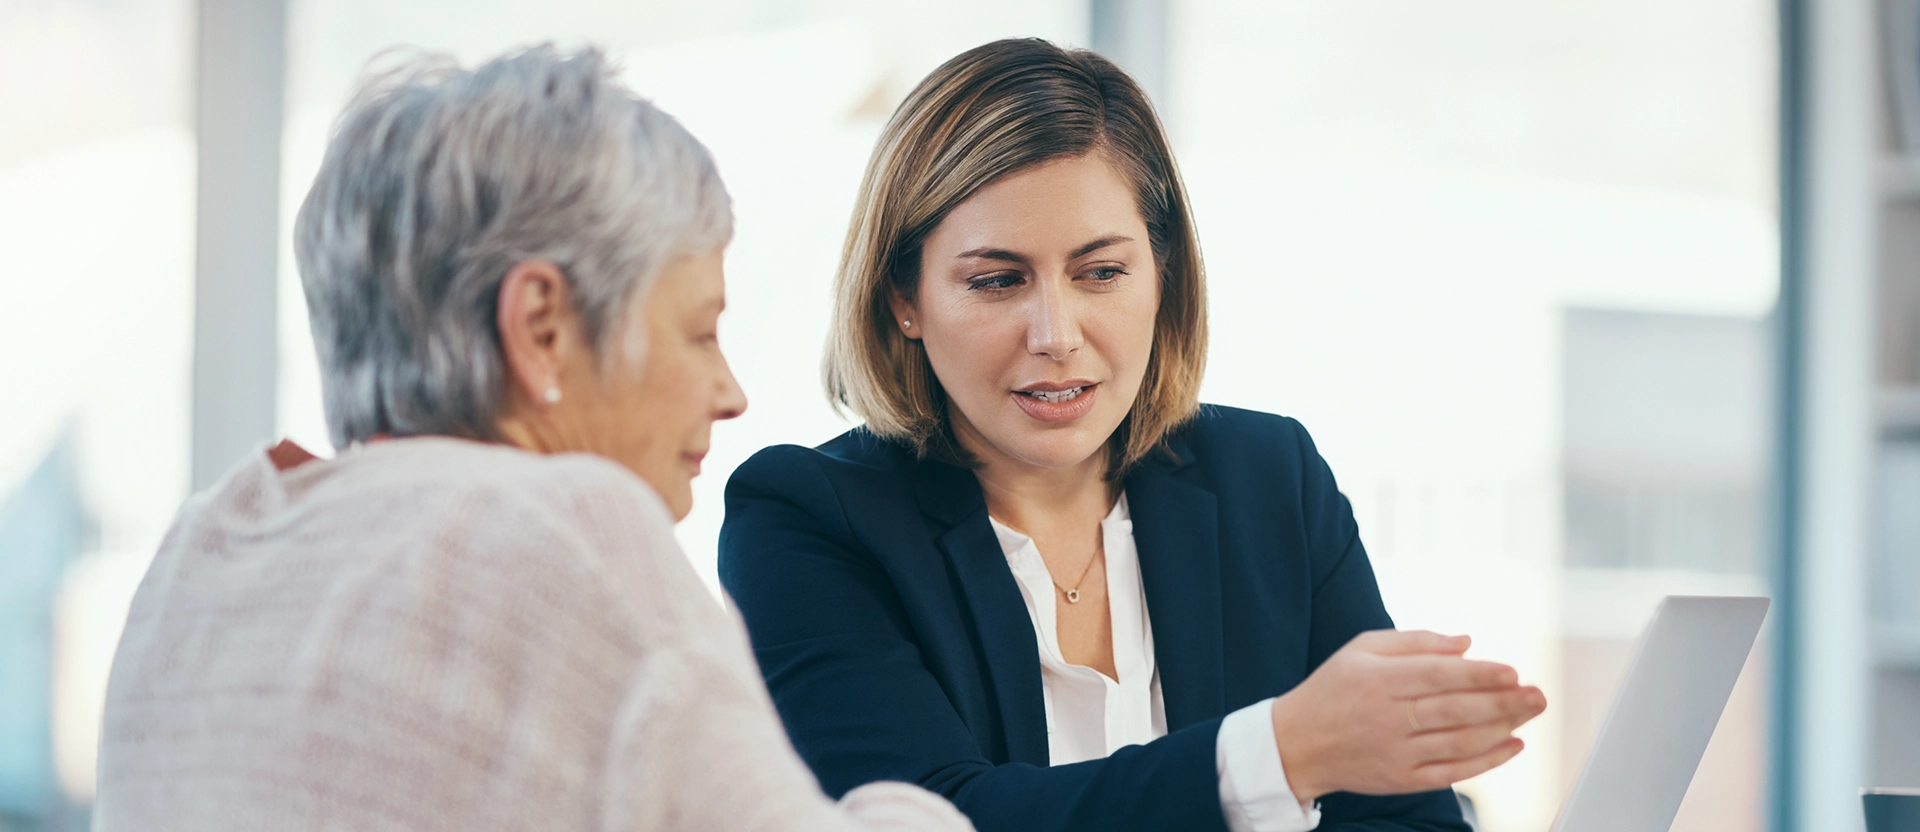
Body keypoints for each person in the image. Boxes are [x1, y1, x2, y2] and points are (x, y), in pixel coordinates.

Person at [93, 45, 972, 832]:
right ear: (542, 327)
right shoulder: (565, 531)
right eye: (701, 331)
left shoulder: (203, 549)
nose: (731, 393)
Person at [717, 38, 1547, 832]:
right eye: (998, 280)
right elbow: (939, 818)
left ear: (1162, 276)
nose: (1057, 334)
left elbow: (1408, 819)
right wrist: (1280, 755)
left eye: (1101, 272)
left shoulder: (1270, 479)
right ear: (905, 298)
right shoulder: (805, 519)